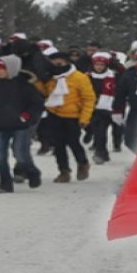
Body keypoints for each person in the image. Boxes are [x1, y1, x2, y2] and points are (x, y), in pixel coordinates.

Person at [0, 55, 44, 193]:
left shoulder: (25, 86)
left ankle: (32, 171)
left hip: (20, 126)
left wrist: (27, 116)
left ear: (11, 69)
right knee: (0, 156)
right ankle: (5, 183)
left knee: (20, 154)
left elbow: (37, 104)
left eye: (1, 68)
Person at [34, 48, 96, 183]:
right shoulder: (50, 77)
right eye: (53, 64)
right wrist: (37, 82)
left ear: (67, 63)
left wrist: (85, 118)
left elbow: (88, 98)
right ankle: (64, 171)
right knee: (58, 144)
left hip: (72, 116)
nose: (56, 67)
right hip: (53, 114)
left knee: (73, 142)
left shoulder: (79, 77)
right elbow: (46, 93)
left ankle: (82, 163)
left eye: (59, 64)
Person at [88, 52, 123, 164]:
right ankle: (103, 152)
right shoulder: (87, 76)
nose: (99, 67)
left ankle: (100, 153)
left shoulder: (113, 76)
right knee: (96, 131)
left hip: (106, 108)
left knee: (101, 131)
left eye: (102, 65)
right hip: (91, 108)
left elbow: (123, 73)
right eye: (97, 64)